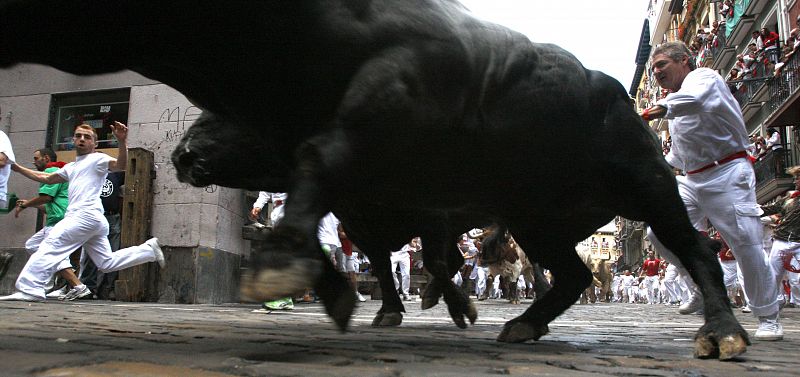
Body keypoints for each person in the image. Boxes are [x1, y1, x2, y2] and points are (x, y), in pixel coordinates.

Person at [640, 41, 782, 340]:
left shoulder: (704, 78)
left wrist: (654, 111)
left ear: (684, 61)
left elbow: (694, 99)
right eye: (653, 69)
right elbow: (678, 155)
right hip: (691, 178)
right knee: (659, 231)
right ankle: (703, 289)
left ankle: (768, 316)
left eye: (661, 65)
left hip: (727, 172)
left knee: (745, 243)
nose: (656, 73)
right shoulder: (676, 101)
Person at [0, 122, 165, 302]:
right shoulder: (71, 167)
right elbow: (46, 178)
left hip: (84, 215)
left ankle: (31, 288)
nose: (82, 139)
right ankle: (149, 250)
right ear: (73, 140)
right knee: (106, 263)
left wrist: (121, 141)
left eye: (87, 137)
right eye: (78, 136)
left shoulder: (97, 160)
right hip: (93, 220)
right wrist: (16, 167)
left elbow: (120, 165)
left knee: (51, 242)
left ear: (94, 144)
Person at [13, 148, 88, 300]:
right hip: (55, 220)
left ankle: (78, 286)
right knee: (32, 245)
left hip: (58, 222)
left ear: (46, 158)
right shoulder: (56, 171)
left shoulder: (52, 170)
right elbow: (48, 206)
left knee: (54, 254)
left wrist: (25, 205)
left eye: (36, 158)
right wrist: (29, 204)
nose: (34, 162)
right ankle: (48, 282)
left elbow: (46, 197)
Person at [760, 166, 800, 311]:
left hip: (798, 243)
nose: (795, 181)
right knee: (773, 275)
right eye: (795, 178)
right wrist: (751, 209)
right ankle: (776, 300)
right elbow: (772, 208)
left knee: (797, 279)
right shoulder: (790, 197)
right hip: (781, 240)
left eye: (798, 178)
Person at [250, 191, 295, 310]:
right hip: (278, 212)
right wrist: (257, 206)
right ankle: (286, 298)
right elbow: (265, 191)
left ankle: (283, 297)